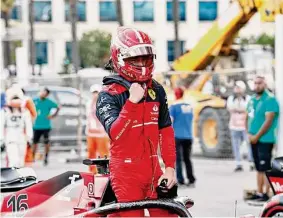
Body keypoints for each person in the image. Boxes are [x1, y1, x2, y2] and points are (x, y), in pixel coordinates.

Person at [96, 26, 177, 217]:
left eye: (145, 58)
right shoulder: (107, 95)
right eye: (135, 58)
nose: (141, 63)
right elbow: (116, 134)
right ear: (120, 58)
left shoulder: (156, 89)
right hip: (126, 174)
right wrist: (131, 102)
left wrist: (170, 168)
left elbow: (166, 130)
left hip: (154, 170)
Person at [246, 76, 279, 202]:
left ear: (264, 84)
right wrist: (248, 133)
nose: (257, 85)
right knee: (258, 168)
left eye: (259, 83)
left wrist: (257, 136)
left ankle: (266, 193)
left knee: (265, 168)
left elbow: (268, 120)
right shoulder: (252, 99)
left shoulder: (270, 99)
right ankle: (259, 192)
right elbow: (247, 117)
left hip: (265, 139)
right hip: (253, 138)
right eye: (255, 83)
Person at [0, 87, 33, 168]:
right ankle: (13, 177)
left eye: (17, 98)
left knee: (21, 161)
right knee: (14, 160)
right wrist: (1, 139)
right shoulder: (5, 111)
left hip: (21, 137)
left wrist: (29, 137)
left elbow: (28, 125)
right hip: (10, 137)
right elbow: (1, 125)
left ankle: (20, 178)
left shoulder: (25, 111)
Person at [169, 87, 196, 187]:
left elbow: (170, 121)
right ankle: (191, 179)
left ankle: (181, 180)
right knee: (187, 159)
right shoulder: (189, 107)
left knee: (178, 160)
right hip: (188, 136)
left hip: (177, 136)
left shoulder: (173, 107)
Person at [226, 81, 253, 172]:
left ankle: (251, 162)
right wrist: (241, 109)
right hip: (234, 125)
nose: (237, 90)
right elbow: (230, 108)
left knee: (249, 143)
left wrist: (238, 109)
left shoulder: (248, 98)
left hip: (245, 125)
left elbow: (248, 109)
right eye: (236, 88)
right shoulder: (231, 98)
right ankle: (238, 163)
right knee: (236, 145)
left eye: (239, 88)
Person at [32, 87, 60, 166]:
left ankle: (46, 158)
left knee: (46, 142)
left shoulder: (48, 102)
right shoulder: (34, 101)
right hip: (36, 126)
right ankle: (32, 157)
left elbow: (58, 107)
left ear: (47, 95)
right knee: (34, 142)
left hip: (46, 126)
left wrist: (53, 115)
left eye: (45, 93)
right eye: (42, 92)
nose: (43, 94)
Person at [86, 84, 110, 173]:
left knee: (103, 153)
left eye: (97, 92)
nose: (95, 94)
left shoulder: (105, 104)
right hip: (91, 134)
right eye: (94, 92)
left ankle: (105, 171)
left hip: (102, 134)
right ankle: (92, 172)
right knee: (91, 154)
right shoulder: (88, 104)